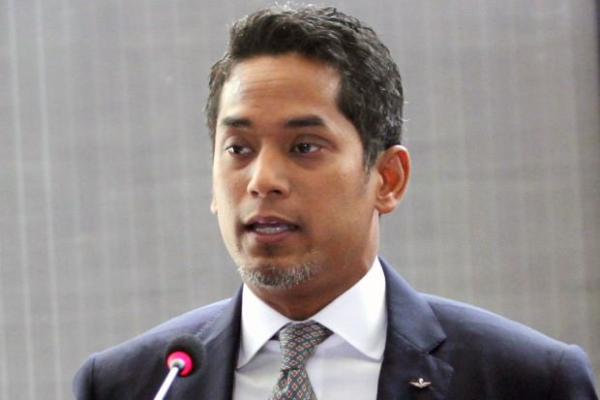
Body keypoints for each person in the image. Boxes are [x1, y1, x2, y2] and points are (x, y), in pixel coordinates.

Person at [73, 4, 598, 399]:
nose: (263, 180)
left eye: (304, 147)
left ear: (387, 179)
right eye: (239, 149)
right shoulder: (134, 384)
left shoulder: (525, 380)